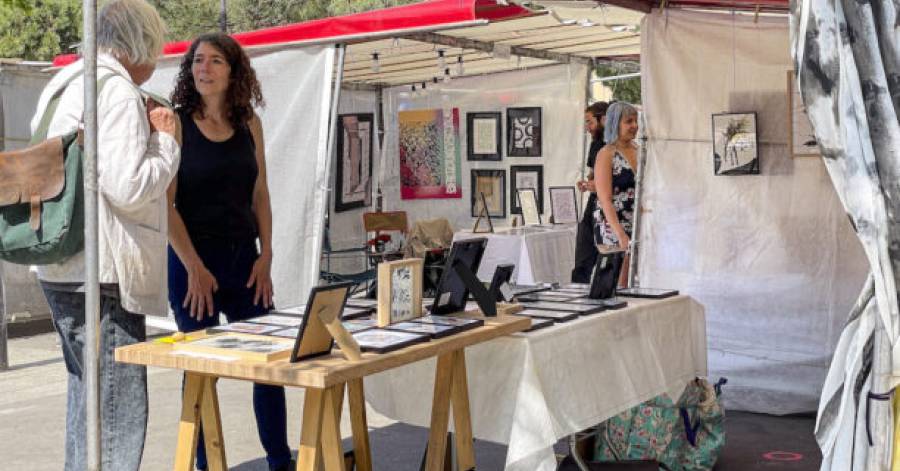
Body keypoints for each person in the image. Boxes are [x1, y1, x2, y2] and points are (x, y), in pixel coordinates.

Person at [30, 1, 179, 470]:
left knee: (87, 401)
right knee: (118, 410)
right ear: (138, 43)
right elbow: (129, 188)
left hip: (62, 263)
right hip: (104, 273)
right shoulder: (113, 91)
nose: (155, 61)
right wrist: (166, 142)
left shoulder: (63, 84)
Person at [167, 33, 290, 471]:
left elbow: (261, 194)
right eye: (197, 61)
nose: (204, 69)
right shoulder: (176, 124)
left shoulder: (249, 123)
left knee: (268, 363)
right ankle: (204, 465)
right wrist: (194, 267)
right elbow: (165, 204)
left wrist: (268, 253)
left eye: (215, 61)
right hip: (192, 262)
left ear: (233, 71)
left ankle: (280, 461)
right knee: (201, 371)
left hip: (246, 259)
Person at [593, 101, 638, 286]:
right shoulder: (606, 153)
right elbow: (604, 198)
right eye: (629, 121)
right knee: (619, 282)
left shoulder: (639, 149)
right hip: (612, 224)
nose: (634, 126)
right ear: (615, 123)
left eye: (636, 121)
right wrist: (620, 234)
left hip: (636, 223)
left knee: (632, 281)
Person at [572, 101, 609, 283]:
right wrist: (587, 183)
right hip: (593, 205)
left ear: (602, 119)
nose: (587, 127)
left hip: (608, 207)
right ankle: (578, 292)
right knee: (583, 256)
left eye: (589, 122)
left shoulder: (613, 146)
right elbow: (593, 175)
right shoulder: (595, 144)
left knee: (607, 260)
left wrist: (597, 185)